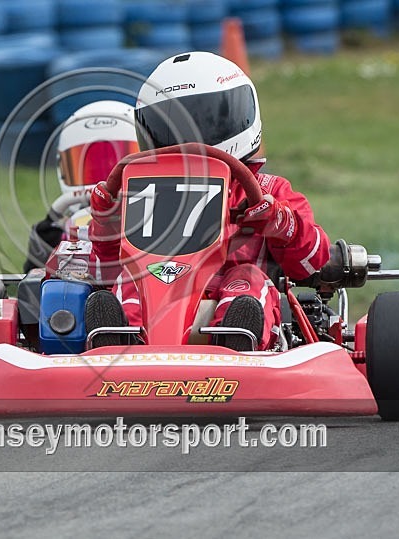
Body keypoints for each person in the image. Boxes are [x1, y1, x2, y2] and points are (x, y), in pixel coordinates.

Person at [86, 51, 331, 351]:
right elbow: (103, 272)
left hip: (228, 304)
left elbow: (313, 261)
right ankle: (116, 343)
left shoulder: (270, 190)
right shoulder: (141, 192)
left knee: (248, 279)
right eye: (172, 127)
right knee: (128, 280)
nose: (188, 140)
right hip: (158, 300)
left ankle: (236, 342)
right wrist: (106, 220)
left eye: (201, 122)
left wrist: (280, 223)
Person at [23, 100, 140, 272]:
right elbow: (30, 291)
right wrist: (45, 246)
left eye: (115, 165)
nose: (104, 180)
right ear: (62, 168)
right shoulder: (56, 234)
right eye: (88, 165)